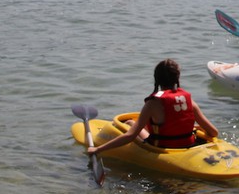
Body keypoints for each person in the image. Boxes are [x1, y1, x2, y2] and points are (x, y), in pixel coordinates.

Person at [86, 59, 218, 154]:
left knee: (131, 122)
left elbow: (130, 136)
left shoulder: (153, 103)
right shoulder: (189, 101)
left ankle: (127, 125)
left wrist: (97, 149)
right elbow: (213, 133)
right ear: (177, 78)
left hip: (162, 147)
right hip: (188, 144)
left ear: (157, 79)